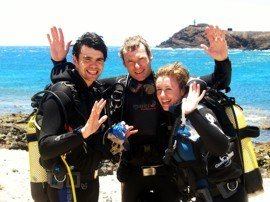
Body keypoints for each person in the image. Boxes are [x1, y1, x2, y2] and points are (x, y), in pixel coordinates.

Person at [50, 25, 232, 201]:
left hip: (168, 172)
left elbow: (218, 81)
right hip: (131, 173)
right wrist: (59, 62)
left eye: (141, 59)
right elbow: (80, 84)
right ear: (124, 63)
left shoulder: (167, 85)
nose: (137, 66)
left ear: (150, 56)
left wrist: (222, 60)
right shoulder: (116, 87)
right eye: (130, 61)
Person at [38, 28, 135, 202]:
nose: (93, 65)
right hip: (64, 187)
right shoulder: (60, 94)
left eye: (99, 60)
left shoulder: (95, 92)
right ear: (75, 59)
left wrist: (115, 138)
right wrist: (83, 132)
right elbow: (45, 148)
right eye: (87, 59)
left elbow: (94, 147)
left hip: (91, 183)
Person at [155, 62, 247, 202]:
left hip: (227, 196)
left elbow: (222, 147)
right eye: (158, 89)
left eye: (168, 89)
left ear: (182, 91)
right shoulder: (177, 117)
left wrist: (193, 113)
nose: (162, 95)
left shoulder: (201, 111)